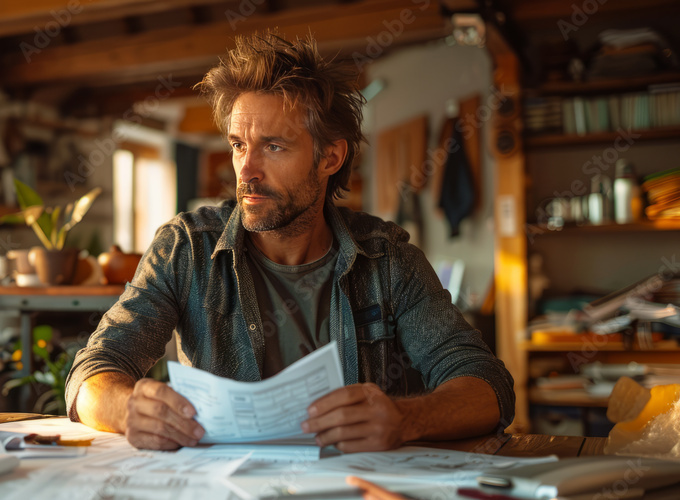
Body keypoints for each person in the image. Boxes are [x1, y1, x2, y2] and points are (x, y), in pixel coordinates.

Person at [65, 31, 514, 452]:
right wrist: (126, 408)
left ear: (330, 158)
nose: (246, 170)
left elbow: (486, 383)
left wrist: (407, 418)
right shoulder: (186, 248)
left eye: (274, 146)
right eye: (239, 145)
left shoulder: (389, 260)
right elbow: (91, 373)